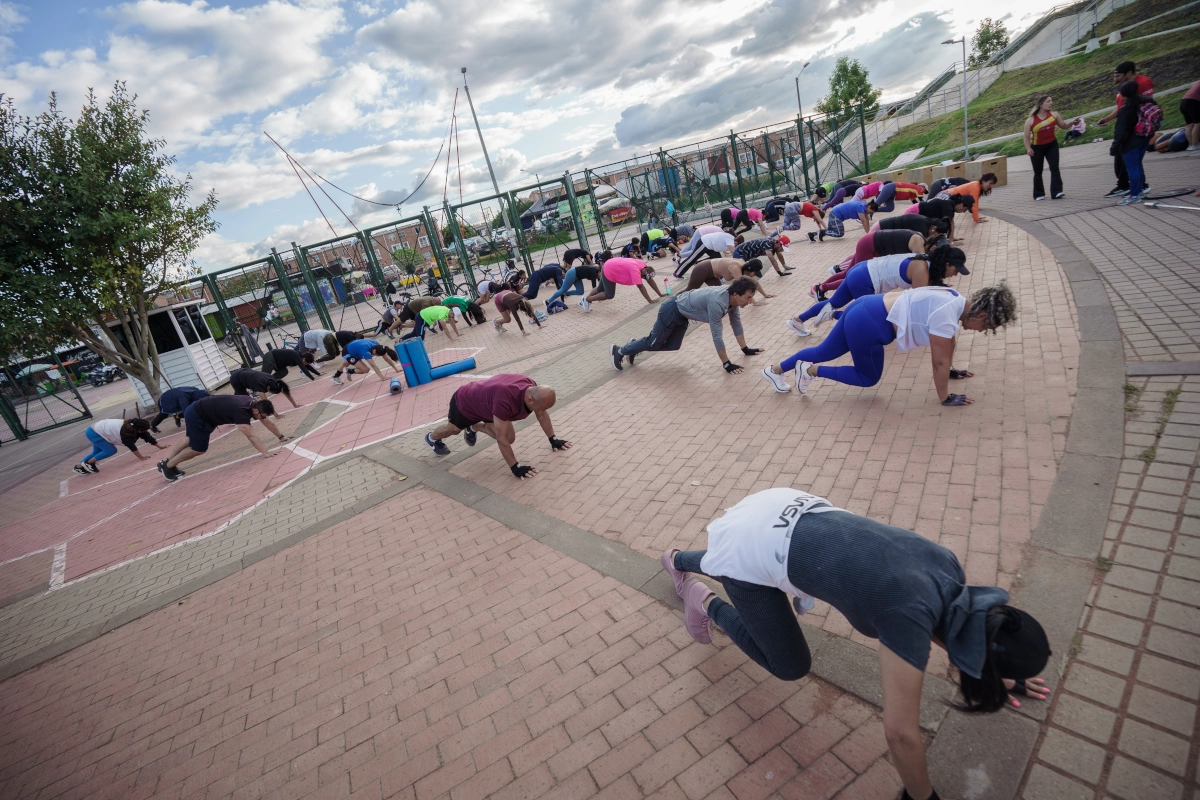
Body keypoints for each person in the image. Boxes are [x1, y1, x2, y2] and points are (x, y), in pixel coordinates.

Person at [661, 488, 1051, 800]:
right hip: (754, 543)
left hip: (781, 509)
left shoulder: (948, 570)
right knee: (789, 665)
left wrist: (1004, 672)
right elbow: (900, 734)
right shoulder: (907, 616)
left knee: (735, 551)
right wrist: (922, 796)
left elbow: (955, 625)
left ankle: (676, 559)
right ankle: (705, 601)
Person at [762, 283, 1016, 402]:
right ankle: (809, 370)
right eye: (986, 326)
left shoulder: (954, 298)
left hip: (864, 307)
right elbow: (938, 360)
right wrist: (945, 398)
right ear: (981, 314)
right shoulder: (949, 312)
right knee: (867, 377)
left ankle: (774, 371)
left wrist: (951, 370)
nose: (981, 330)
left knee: (823, 350)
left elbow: (949, 343)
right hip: (870, 323)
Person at [786, 247, 969, 337]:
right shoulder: (921, 270)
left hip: (861, 270)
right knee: (872, 317)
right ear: (946, 264)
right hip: (865, 278)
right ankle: (834, 315)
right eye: (955, 270)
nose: (954, 275)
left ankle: (797, 320)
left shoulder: (926, 262)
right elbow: (919, 303)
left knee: (833, 301)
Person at [424, 374, 570, 478]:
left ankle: (474, 427)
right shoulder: (505, 402)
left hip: (489, 406)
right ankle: (431, 438)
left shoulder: (531, 386)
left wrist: (553, 439)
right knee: (453, 430)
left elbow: (542, 415)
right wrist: (515, 467)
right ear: (530, 399)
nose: (540, 411)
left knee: (510, 438)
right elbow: (500, 439)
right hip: (465, 402)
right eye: (539, 408)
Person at [612, 279, 761, 374]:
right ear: (735, 294)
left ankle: (633, 346)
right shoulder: (718, 303)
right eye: (748, 297)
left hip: (682, 315)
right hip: (671, 310)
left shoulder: (732, 302)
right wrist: (726, 364)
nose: (750, 301)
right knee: (653, 342)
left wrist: (745, 349)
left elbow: (736, 324)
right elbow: (717, 335)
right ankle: (619, 350)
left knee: (673, 346)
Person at [157, 396, 290, 482]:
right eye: (262, 416)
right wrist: (266, 453)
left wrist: (281, 437)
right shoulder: (241, 412)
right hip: (198, 415)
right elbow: (251, 436)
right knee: (199, 448)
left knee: (189, 439)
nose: (262, 418)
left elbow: (268, 422)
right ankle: (168, 466)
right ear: (256, 411)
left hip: (199, 411)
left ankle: (166, 463)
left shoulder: (252, 404)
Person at [1097, 61, 1155, 197]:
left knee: (1129, 160)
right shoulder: (1126, 87)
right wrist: (1108, 118)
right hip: (1127, 128)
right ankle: (1132, 186)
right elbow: (1121, 108)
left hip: (1133, 130)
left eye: (1118, 76)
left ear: (1129, 73)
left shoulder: (1143, 83)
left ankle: (1132, 190)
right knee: (1128, 160)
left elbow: (1144, 107)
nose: (1115, 79)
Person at [1024, 96, 1081, 200]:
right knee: (1038, 172)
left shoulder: (1054, 115)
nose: (1051, 103)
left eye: (1051, 101)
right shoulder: (1030, 120)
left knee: (1054, 168)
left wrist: (1072, 123)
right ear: (1041, 104)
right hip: (1037, 148)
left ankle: (1057, 191)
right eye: (1048, 101)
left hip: (1052, 145)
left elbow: (1064, 126)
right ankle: (1039, 194)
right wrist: (1028, 148)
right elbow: (1026, 137)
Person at [1112, 80, 1159, 206]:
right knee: (1137, 165)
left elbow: (1120, 131)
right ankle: (1138, 191)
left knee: (1132, 168)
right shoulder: (1146, 101)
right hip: (1145, 138)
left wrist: (1114, 147)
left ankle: (1134, 195)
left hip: (1130, 143)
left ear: (1123, 94)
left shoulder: (1126, 108)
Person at [832, 226, 943, 275]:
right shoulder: (918, 243)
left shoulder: (921, 238)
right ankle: (822, 287)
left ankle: (820, 287)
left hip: (874, 243)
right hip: (870, 243)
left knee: (849, 273)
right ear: (933, 247)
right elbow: (920, 267)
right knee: (854, 275)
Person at [74, 417, 167, 475]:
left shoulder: (135, 427)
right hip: (94, 432)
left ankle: (79, 467)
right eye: (144, 430)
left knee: (97, 452)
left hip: (96, 429)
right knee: (110, 450)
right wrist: (141, 458)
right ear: (138, 430)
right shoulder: (125, 432)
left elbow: (148, 437)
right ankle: (89, 463)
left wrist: (160, 446)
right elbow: (132, 447)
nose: (146, 431)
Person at [587, 256, 665, 305]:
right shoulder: (635, 270)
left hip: (610, 264)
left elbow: (650, 280)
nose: (643, 278)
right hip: (609, 269)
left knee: (600, 289)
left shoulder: (643, 266)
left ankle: (586, 299)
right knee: (609, 295)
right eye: (643, 277)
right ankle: (588, 299)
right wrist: (650, 301)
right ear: (643, 273)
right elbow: (641, 286)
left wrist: (660, 294)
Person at [684, 258, 773, 301]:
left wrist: (765, 295)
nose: (754, 275)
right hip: (702, 269)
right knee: (690, 290)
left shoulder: (746, 269)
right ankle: (673, 301)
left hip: (712, 275)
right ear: (749, 269)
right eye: (755, 273)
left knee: (720, 293)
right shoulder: (736, 268)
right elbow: (743, 288)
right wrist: (753, 302)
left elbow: (755, 283)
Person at [330, 339, 402, 384]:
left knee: (345, 363)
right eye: (376, 355)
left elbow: (386, 358)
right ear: (374, 351)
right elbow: (373, 365)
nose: (376, 356)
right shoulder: (365, 351)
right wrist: (382, 377)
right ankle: (347, 372)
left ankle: (338, 376)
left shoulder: (378, 346)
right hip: (348, 352)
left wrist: (396, 369)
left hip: (354, 347)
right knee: (365, 369)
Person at [229, 368, 298, 414]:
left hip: (245, 372)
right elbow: (266, 404)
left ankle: (230, 408)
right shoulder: (259, 386)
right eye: (272, 392)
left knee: (237, 397)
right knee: (245, 400)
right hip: (236, 379)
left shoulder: (274, 382)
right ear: (268, 387)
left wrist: (295, 405)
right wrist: (276, 415)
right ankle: (233, 414)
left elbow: (286, 393)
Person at [1182, 80, 1200, 151]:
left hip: (1183, 101)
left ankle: (1191, 145)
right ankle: (1195, 145)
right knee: (1198, 123)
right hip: (1193, 101)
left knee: (1190, 125)